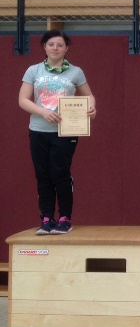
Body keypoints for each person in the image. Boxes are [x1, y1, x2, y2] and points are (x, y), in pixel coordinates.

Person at [19, 31, 97, 235]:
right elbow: (23, 100)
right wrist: (43, 112)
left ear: (66, 48)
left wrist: (91, 107)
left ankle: (64, 219)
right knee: (42, 174)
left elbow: (89, 96)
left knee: (60, 173)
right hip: (38, 130)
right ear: (44, 47)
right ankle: (46, 218)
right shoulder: (33, 70)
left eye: (60, 45)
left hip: (65, 131)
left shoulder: (75, 72)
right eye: (51, 44)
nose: (55, 48)